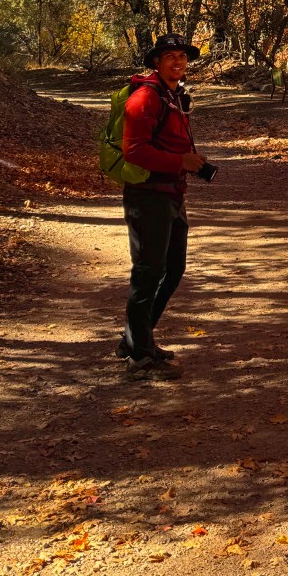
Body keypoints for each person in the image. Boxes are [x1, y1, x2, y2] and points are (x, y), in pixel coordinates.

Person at [117, 32, 213, 378]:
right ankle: (138, 355)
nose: (178, 62)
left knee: (172, 271)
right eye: (170, 56)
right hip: (148, 196)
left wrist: (190, 162)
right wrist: (180, 163)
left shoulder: (173, 95)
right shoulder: (145, 98)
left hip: (172, 194)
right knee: (148, 274)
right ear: (156, 61)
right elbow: (134, 150)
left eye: (183, 56)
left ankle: (135, 339)